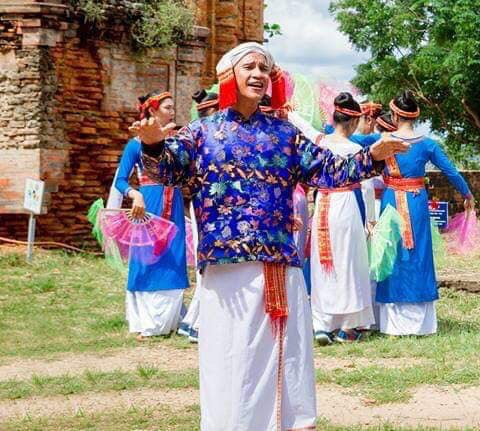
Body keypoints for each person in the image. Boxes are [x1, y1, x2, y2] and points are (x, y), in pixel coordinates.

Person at [130, 42, 408, 431]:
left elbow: (329, 171)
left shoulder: (284, 134)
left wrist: (373, 156)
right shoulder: (202, 133)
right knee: (229, 358)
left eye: (265, 67)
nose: (259, 73)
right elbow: (168, 171)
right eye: (249, 66)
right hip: (224, 269)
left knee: (284, 357)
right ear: (229, 76)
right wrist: (152, 143)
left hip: (276, 265)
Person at [374, 90, 473, 336]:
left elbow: (345, 138)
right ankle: (421, 323)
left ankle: (393, 322)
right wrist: (468, 194)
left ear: (394, 113)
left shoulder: (384, 143)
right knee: (418, 254)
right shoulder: (427, 144)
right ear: (415, 116)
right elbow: (451, 172)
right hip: (417, 201)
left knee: (392, 253)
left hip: (391, 203)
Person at [112, 91, 189, 340]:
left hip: (174, 203)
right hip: (148, 205)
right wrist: (135, 195)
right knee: (146, 257)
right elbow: (121, 180)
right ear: (153, 112)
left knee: (174, 256)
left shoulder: (176, 142)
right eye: (167, 107)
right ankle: (147, 322)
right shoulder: (135, 144)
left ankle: (171, 317)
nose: (172, 111)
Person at [309, 93, 376, 344]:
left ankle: (322, 323)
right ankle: (348, 325)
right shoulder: (357, 150)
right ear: (352, 122)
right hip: (347, 205)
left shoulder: (319, 143)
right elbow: (367, 188)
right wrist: (370, 218)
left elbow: (303, 127)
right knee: (349, 262)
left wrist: (289, 112)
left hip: (323, 205)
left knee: (322, 262)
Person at [178, 89, 220, 342]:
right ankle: (197, 322)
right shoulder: (201, 135)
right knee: (211, 262)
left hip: (207, 202)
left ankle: (193, 320)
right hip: (207, 203)